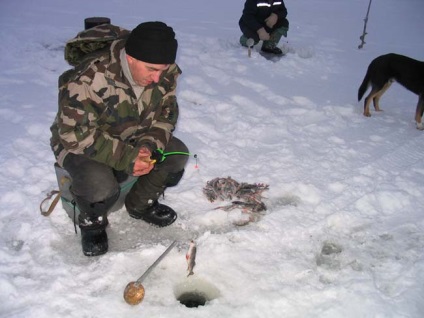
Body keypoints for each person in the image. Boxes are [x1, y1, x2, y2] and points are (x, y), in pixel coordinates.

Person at [50, 21, 188, 257]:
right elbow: (74, 133)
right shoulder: (89, 78)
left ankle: (140, 204)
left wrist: (148, 147)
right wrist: (127, 157)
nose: (157, 78)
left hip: (133, 134)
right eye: (151, 70)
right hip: (82, 141)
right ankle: (92, 220)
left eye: (163, 69)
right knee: (99, 185)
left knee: (176, 155)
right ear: (131, 58)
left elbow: (166, 115)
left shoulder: (164, 73)